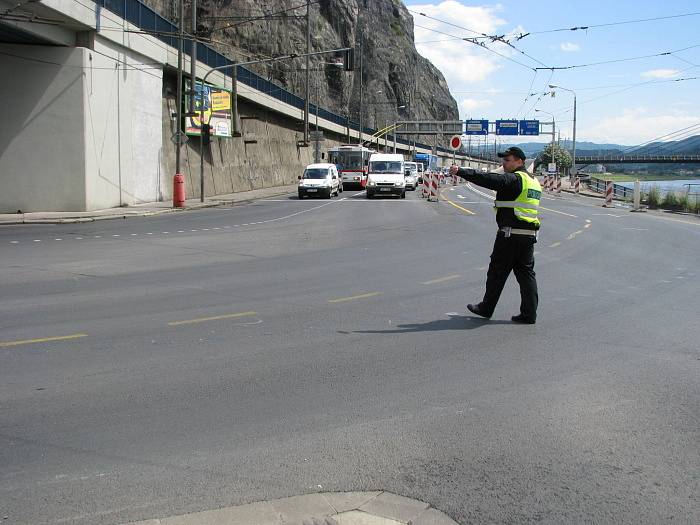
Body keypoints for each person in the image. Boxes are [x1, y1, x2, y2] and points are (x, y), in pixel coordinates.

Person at [448, 146, 541, 324]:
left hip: (510, 235)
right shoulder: (534, 181)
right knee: (526, 274)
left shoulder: (515, 179)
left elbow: (489, 179)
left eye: (508, 160)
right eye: (503, 160)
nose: (503, 163)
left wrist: (462, 171)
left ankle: (486, 308)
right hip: (528, 235)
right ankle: (529, 314)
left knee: (497, 272)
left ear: (520, 162)